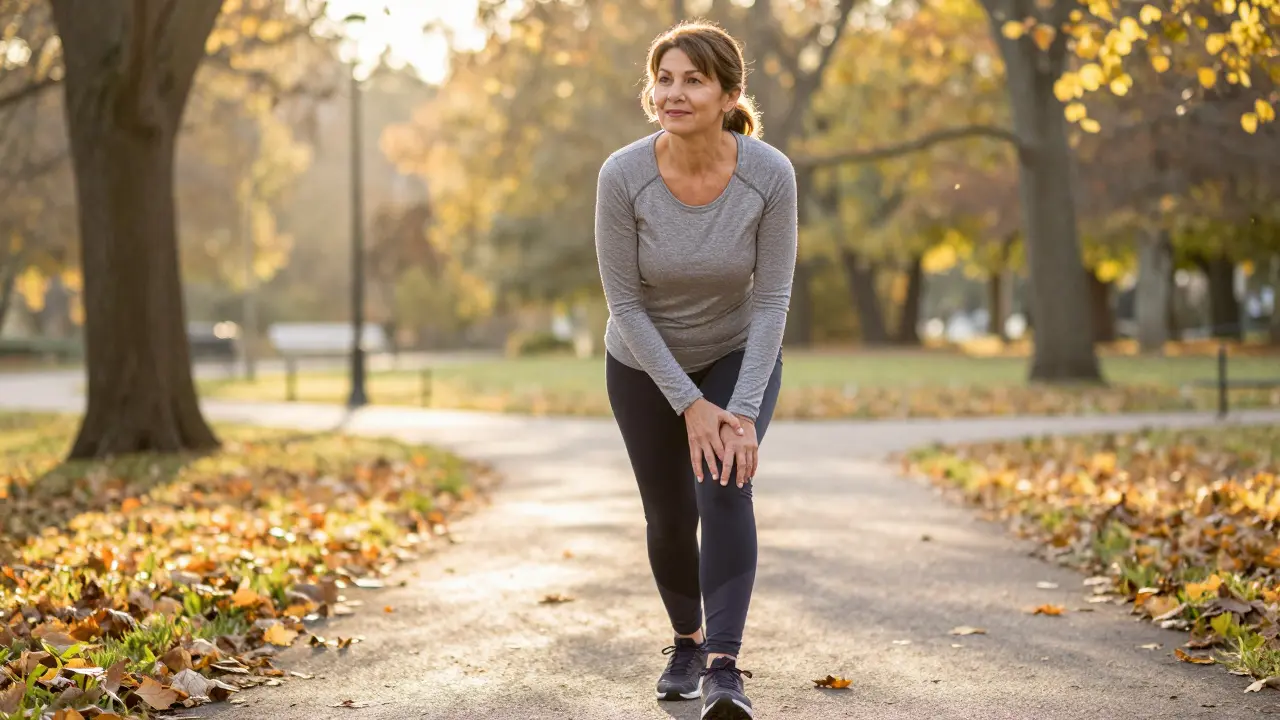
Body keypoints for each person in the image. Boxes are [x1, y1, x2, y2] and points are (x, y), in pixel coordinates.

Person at [593, 19, 797, 720]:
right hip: (643, 363)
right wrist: (688, 403)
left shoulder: (768, 174)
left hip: (738, 350)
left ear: (728, 93)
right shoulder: (624, 175)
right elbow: (623, 302)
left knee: (725, 484)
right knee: (671, 514)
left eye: (692, 80)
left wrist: (737, 413)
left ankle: (724, 667)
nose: (672, 93)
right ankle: (686, 640)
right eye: (664, 79)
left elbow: (771, 300)